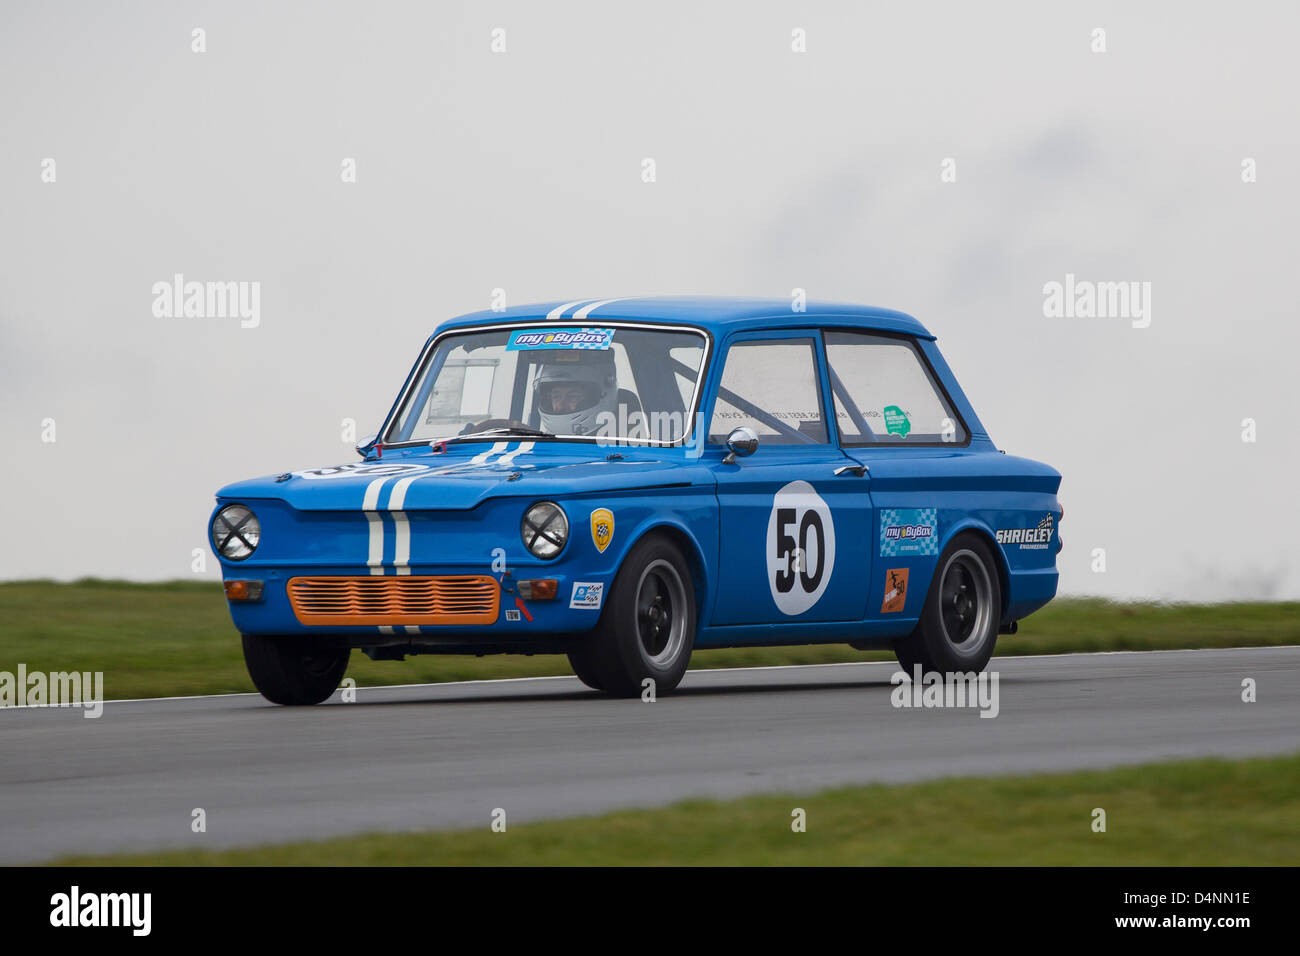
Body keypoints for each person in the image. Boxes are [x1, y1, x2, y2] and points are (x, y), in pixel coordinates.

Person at [532, 350, 618, 436]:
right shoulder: (533, 443)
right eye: (556, 396)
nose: (561, 405)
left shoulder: (621, 443)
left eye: (572, 397)